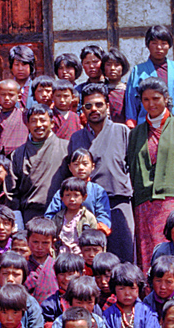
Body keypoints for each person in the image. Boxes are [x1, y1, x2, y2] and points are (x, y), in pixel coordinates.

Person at [127, 77, 174, 271]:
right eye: (146, 100)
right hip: (145, 204)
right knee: (150, 255)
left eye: (156, 98)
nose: (151, 104)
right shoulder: (136, 134)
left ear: (166, 98)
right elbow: (132, 168)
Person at [69, 83, 136, 263]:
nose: (94, 109)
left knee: (124, 254)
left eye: (99, 104)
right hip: (88, 205)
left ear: (107, 105)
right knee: (90, 258)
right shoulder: (77, 138)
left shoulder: (122, 131)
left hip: (118, 200)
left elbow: (134, 167)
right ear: (82, 109)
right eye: (88, 106)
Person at [11, 105, 68, 224]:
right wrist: (18, 220)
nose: (38, 125)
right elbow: (11, 191)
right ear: (27, 124)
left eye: (43, 120)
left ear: (52, 123)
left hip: (61, 213)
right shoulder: (18, 153)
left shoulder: (66, 148)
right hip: (30, 215)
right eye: (33, 121)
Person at [124, 25, 174, 127]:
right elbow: (131, 100)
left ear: (169, 45)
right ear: (148, 45)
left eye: (163, 43)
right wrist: (131, 122)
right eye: (154, 43)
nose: (159, 47)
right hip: (147, 124)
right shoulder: (138, 70)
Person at [45, 148, 113, 235]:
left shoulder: (98, 191)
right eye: (76, 164)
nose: (80, 168)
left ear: (92, 166)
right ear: (70, 167)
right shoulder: (62, 191)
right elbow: (50, 216)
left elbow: (104, 216)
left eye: (85, 164)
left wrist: (96, 233)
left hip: (90, 237)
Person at [102, 263, 163, 328]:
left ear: (139, 288)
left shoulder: (147, 312)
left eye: (132, 288)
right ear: (114, 289)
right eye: (121, 289)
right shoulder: (108, 314)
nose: (127, 293)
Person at [52, 177, 100, 256]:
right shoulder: (58, 217)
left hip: (80, 257)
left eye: (76, 195)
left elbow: (95, 239)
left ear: (84, 197)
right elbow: (53, 238)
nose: (71, 199)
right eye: (67, 195)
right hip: (61, 257)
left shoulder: (88, 217)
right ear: (62, 198)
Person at [0, 79, 29, 158]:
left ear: (19, 97)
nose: (6, 98)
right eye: (3, 95)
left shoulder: (24, 116)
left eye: (11, 95)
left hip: (22, 158)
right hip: (1, 161)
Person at [24, 217, 59, 303]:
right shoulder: (23, 266)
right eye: (35, 242)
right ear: (27, 240)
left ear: (53, 242)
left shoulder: (57, 266)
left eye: (45, 243)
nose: (39, 247)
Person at [101, 48, 130, 124]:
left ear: (123, 67)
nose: (112, 68)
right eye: (108, 65)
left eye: (116, 65)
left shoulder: (128, 90)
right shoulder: (101, 90)